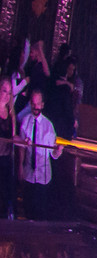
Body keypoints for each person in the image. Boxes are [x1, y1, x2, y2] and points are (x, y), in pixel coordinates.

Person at [15, 88, 64, 220]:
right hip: (28, 174)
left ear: (42, 105)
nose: (35, 107)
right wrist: (20, 167)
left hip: (43, 176)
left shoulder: (48, 126)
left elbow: (53, 154)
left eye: (38, 104)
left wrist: (57, 151)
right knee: (27, 210)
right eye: (33, 103)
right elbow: (21, 148)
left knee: (40, 213)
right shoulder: (25, 121)